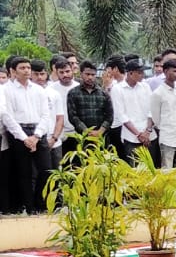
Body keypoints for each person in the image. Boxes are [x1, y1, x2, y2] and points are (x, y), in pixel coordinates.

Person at [2, 57, 54, 214]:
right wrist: (24, 138)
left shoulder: (38, 90)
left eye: (28, 68)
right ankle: (29, 207)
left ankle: (40, 204)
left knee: (46, 170)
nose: (26, 71)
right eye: (22, 68)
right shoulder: (6, 90)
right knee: (24, 173)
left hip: (38, 132)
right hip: (18, 133)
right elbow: (6, 116)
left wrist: (36, 136)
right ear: (13, 71)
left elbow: (46, 114)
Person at [65, 61, 113, 155]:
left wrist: (100, 131)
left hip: (101, 138)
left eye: (93, 75)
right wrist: (87, 132)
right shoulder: (73, 93)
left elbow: (110, 116)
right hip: (82, 138)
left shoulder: (104, 94)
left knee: (102, 162)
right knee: (82, 162)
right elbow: (73, 117)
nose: (90, 77)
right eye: (87, 74)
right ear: (81, 74)